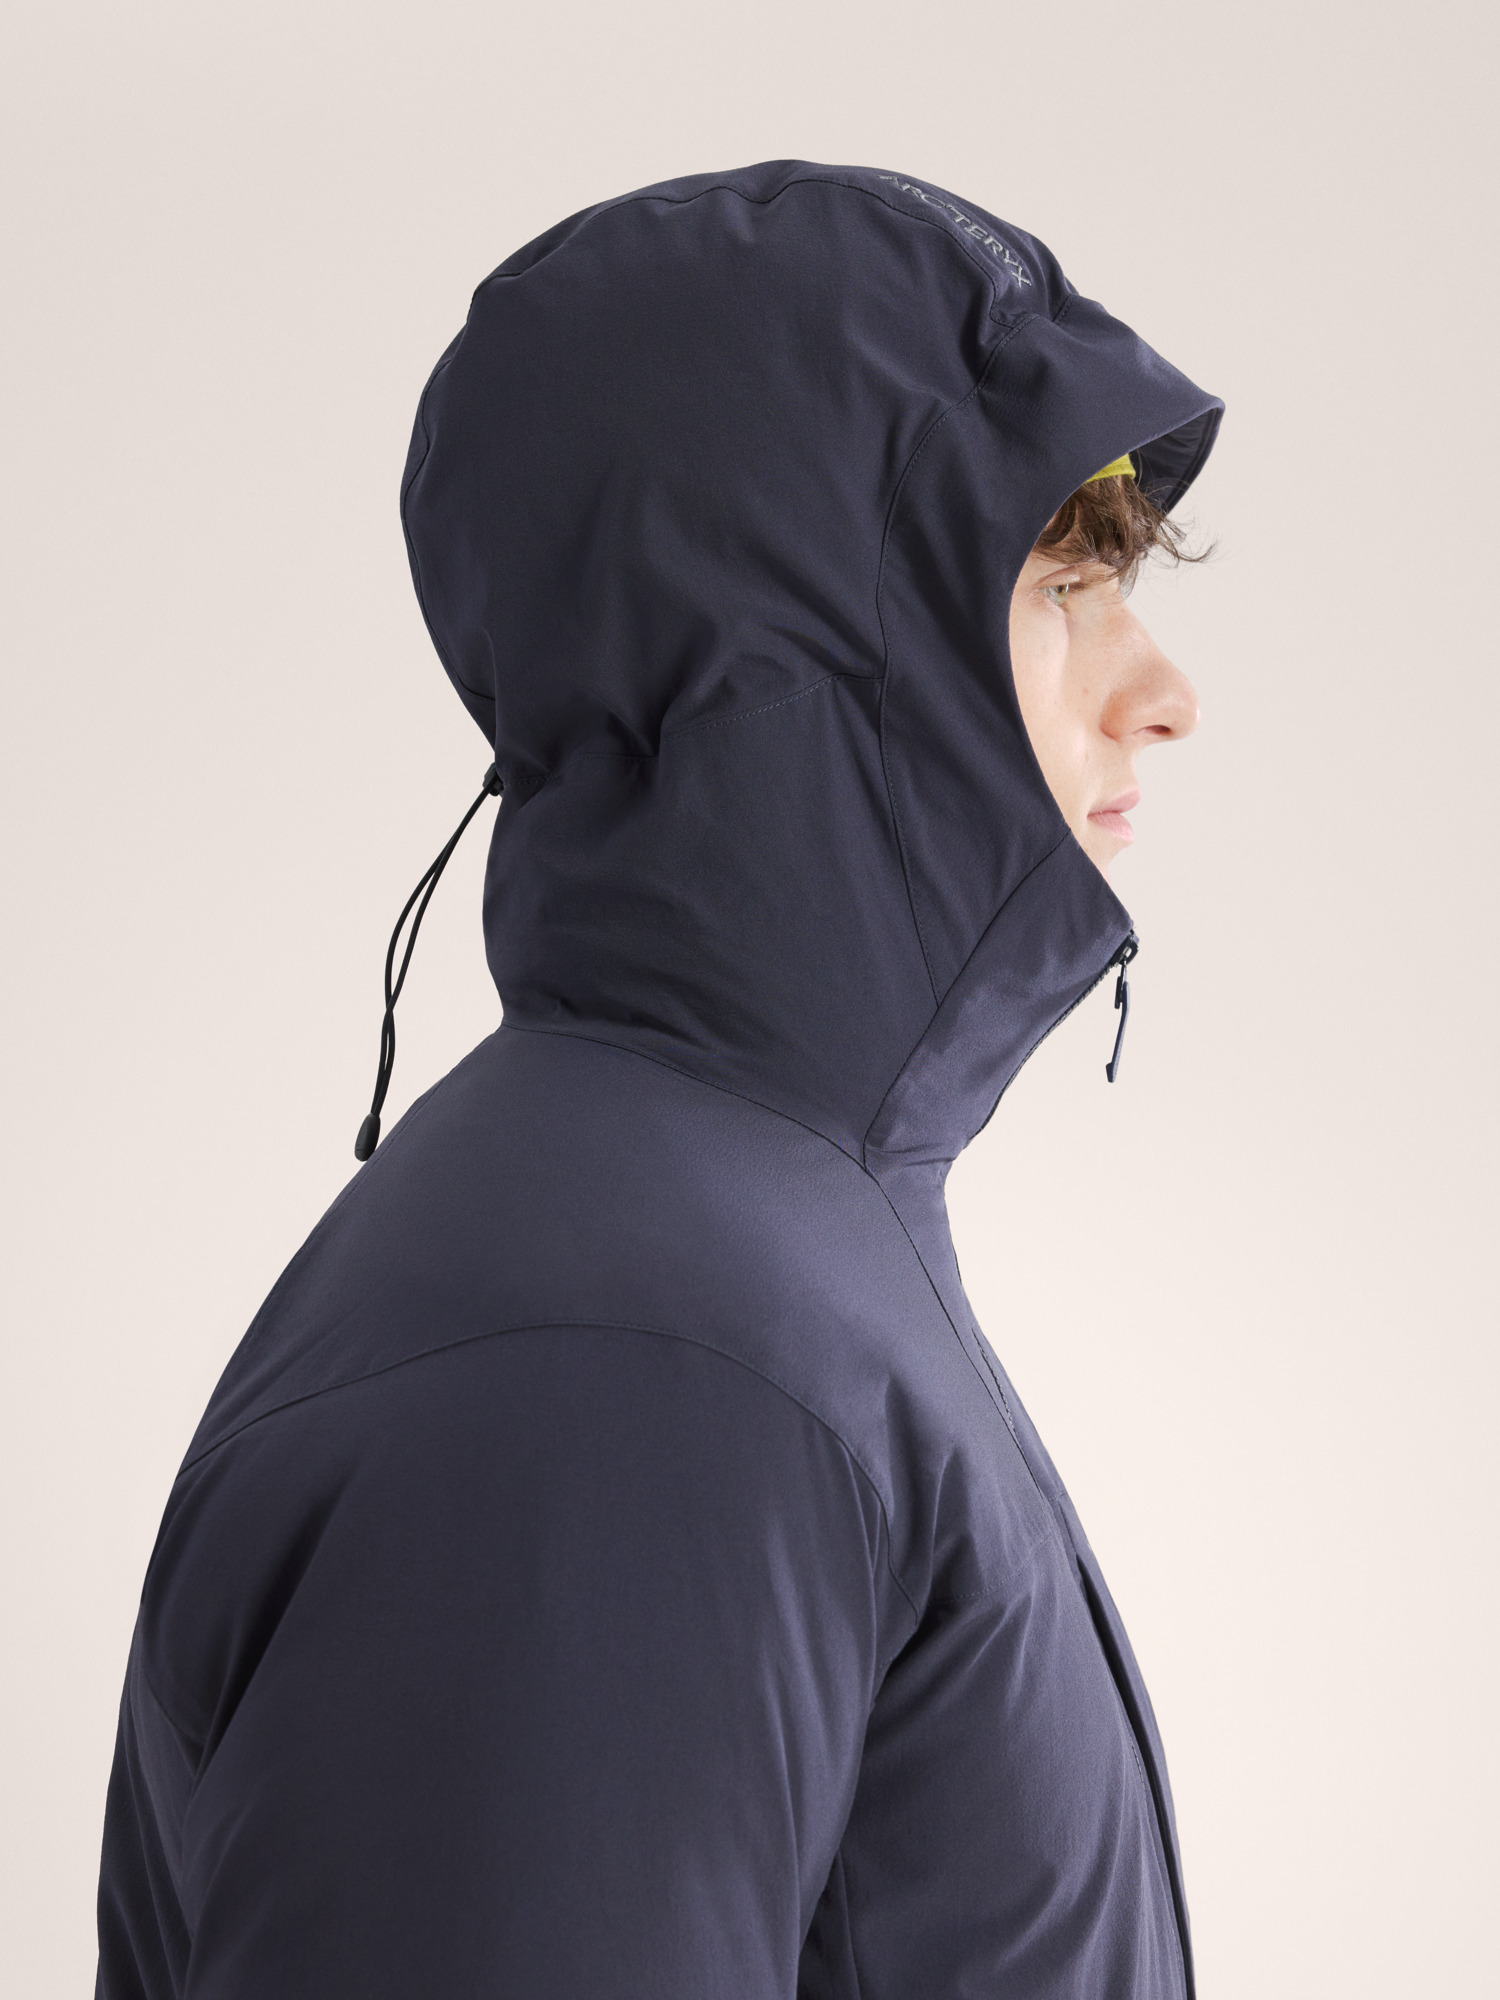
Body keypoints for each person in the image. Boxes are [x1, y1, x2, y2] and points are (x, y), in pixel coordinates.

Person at [94, 162, 1222, 1999]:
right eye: (1057, 583)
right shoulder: (633, 1356)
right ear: (787, 654)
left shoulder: (740, 1259)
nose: (1162, 688)